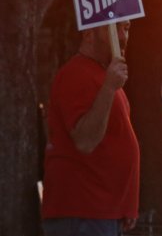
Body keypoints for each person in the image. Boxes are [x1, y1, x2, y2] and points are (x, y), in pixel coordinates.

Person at [42, 21, 139, 236]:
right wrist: (108, 88)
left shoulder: (104, 75)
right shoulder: (75, 74)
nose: (122, 37)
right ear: (89, 33)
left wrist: (126, 203)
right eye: (114, 29)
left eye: (127, 28)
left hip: (103, 212)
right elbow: (85, 141)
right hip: (82, 211)